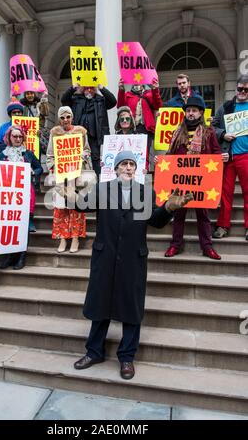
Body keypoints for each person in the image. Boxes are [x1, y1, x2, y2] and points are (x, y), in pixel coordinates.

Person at [65, 150, 192, 380]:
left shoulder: (145, 191)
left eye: (131, 164)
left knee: (131, 307)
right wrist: (70, 192)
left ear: (136, 169)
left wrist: (168, 208)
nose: (127, 168)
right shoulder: (103, 189)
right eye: (123, 164)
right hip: (105, 256)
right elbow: (81, 207)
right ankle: (94, 352)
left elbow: (155, 221)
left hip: (133, 257)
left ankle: (126, 357)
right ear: (116, 168)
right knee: (100, 304)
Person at [162, 97, 228, 260]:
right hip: (181, 180)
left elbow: (216, 152)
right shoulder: (177, 132)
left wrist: (221, 157)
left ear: (200, 113)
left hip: (201, 181)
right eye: (188, 110)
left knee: (203, 215)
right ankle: (175, 245)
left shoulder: (209, 132)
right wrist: (161, 161)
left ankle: (207, 247)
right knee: (178, 214)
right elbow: (170, 156)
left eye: (194, 111)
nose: (190, 113)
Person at [46, 106, 92, 254]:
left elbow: (87, 149)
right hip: (61, 175)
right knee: (61, 209)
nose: (66, 120)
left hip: (76, 175)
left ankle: (75, 238)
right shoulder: (55, 133)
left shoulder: (80, 131)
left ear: (72, 117)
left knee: (75, 207)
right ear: (59, 119)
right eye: (62, 117)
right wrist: (53, 166)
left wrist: (81, 157)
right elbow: (50, 153)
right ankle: (63, 238)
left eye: (68, 117)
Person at [0, 126, 43, 268]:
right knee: (8, 226)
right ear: (9, 137)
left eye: (20, 137)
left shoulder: (28, 154)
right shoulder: (2, 155)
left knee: (23, 226)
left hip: (25, 193)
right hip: (7, 195)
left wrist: (33, 172)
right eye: (15, 136)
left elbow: (39, 168)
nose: (18, 139)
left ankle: (21, 257)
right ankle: (10, 256)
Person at [212, 75, 248, 241]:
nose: (242, 92)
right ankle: (223, 225)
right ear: (236, 89)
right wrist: (224, 134)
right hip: (228, 156)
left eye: (246, 90)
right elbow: (212, 127)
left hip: (246, 156)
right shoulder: (226, 107)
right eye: (240, 89)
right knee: (225, 193)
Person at [61, 84, 117, 176]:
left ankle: (98, 183)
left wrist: (101, 88)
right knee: (77, 159)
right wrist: (73, 88)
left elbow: (113, 102)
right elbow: (64, 100)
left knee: (96, 159)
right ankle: (76, 184)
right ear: (83, 89)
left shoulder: (100, 100)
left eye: (92, 88)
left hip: (94, 136)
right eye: (87, 88)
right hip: (78, 137)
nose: (89, 90)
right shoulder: (76, 99)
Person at [117, 78, 162, 154]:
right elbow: (120, 106)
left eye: (139, 80)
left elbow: (158, 105)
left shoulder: (149, 93)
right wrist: (121, 90)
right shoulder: (128, 95)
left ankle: (145, 166)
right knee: (131, 152)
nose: (137, 82)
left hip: (146, 128)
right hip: (131, 127)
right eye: (134, 80)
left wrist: (155, 90)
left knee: (145, 154)